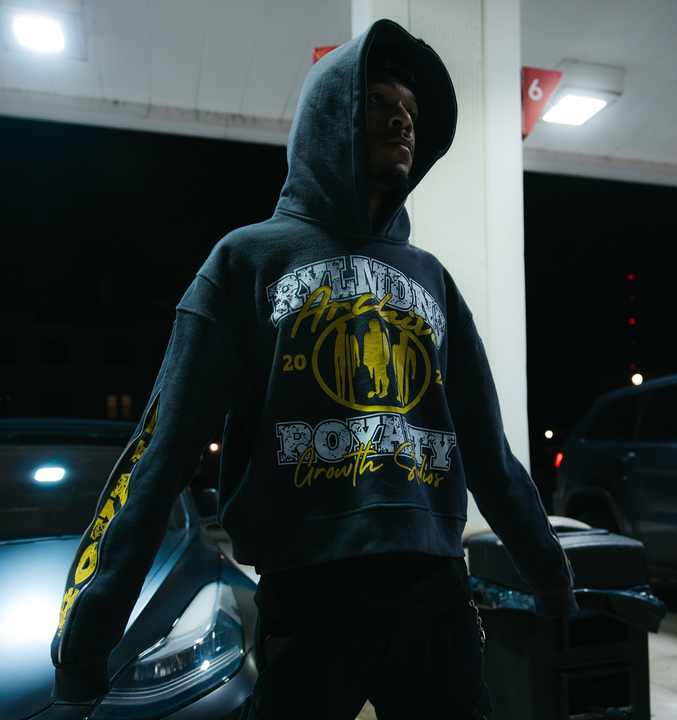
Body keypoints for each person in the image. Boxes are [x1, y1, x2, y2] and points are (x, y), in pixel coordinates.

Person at [50, 18, 579, 720]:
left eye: (411, 112)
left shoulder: (433, 280)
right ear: (331, 120)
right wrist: (90, 633)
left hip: (432, 592)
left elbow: (489, 452)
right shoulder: (246, 262)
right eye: (379, 104)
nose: (403, 121)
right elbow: (162, 452)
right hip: (308, 591)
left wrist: (551, 576)